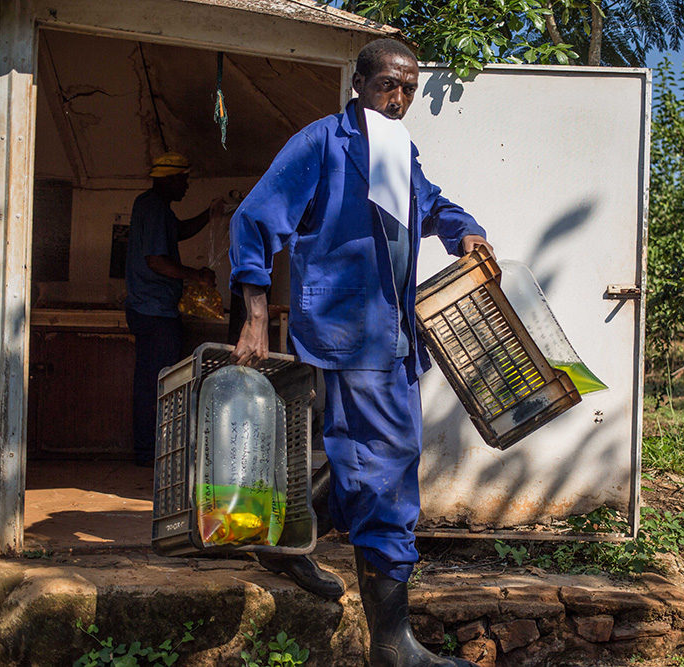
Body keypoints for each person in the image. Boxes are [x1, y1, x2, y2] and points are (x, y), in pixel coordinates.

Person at [229, 39, 491, 667]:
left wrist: (466, 230)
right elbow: (256, 218)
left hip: (396, 336)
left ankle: (279, 540)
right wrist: (257, 315)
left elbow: (430, 204)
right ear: (359, 85)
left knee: (360, 456)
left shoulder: (401, 151)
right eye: (387, 86)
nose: (398, 99)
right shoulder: (322, 142)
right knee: (386, 468)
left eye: (408, 88)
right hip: (348, 331)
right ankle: (392, 646)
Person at [125, 152, 221, 466]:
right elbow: (156, 261)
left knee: (153, 379)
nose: (187, 185)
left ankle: (148, 450)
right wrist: (198, 276)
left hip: (151, 308)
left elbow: (178, 232)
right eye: (183, 179)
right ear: (170, 179)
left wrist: (211, 214)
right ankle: (149, 453)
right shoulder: (153, 208)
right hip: (154, 310)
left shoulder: (154, 207)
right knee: (158, 381)